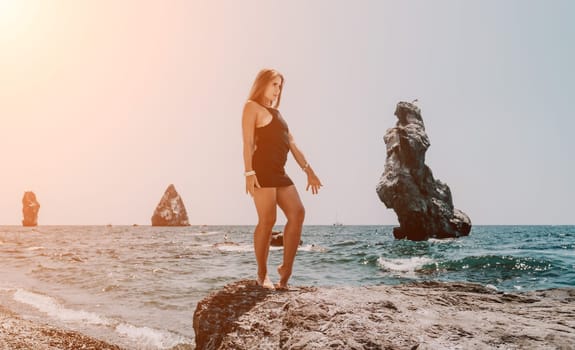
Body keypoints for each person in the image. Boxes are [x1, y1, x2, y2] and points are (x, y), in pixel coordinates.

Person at [242, 68, 322, 290]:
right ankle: (262, 274)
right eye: (274, 84)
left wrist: (309, 170)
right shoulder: (251, 107)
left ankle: (286, 269)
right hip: (262, 172)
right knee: (267, 221)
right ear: (262, 84)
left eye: (280, 86)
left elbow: (293, 145)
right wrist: (249, 173)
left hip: (279, 172)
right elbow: (248, 143)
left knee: (298, 213)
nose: (277, 90)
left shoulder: (279, 115)